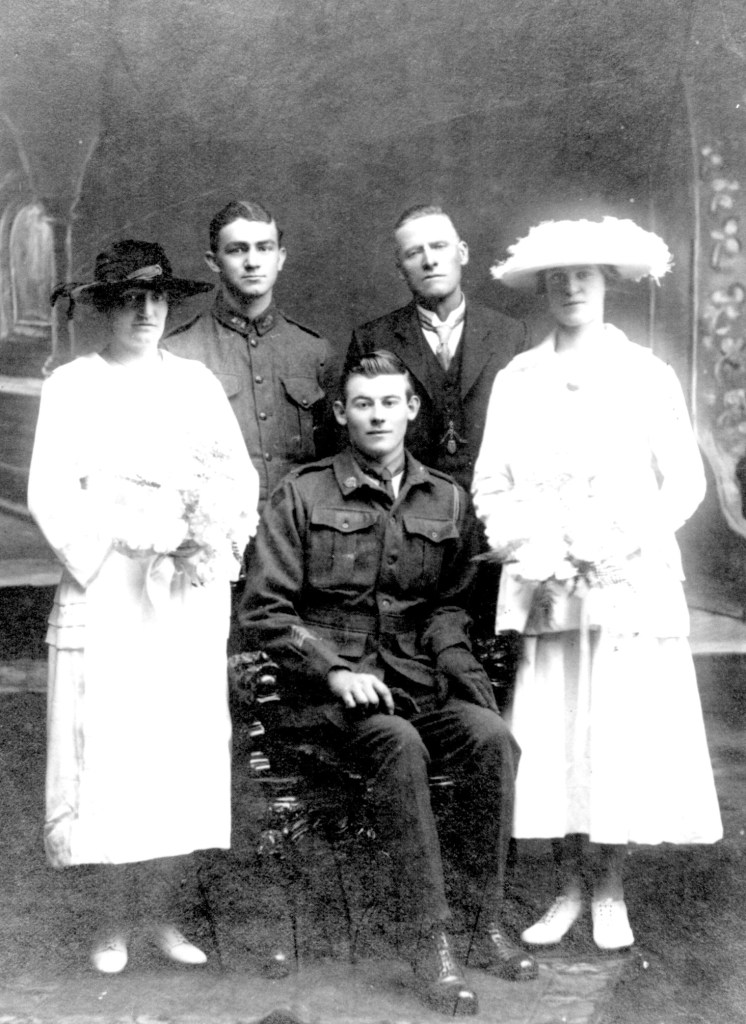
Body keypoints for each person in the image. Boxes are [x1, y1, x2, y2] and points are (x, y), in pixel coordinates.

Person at [238, 350, 537, 1017]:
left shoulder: (445, 498)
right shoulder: (302, 494)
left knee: (491, 738)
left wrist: (454, 658)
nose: (378, 415)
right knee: (398, 745)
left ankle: (480, 922)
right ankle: (429, 943)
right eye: (363, 404)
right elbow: (266, 611)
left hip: (413, 686)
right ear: (343, 413)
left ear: (412, 409)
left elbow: (451, 603)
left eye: (389, 402)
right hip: (322, 704)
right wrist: (333, 671)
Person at [472, 217, 723, 952]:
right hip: (550, 581)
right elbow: (493, 485)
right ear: (544, 288)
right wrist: (531, 546)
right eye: (558, 276)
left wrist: (621, 540)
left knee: (614, 732)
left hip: (626, 578)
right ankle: (566, 886)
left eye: (585, 273)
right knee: (555, 734)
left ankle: (610, 886)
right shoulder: (520, 379)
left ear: (607, 281)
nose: (572, 286)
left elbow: (684, 482)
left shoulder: (646, 374)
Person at [28, 241, 259, 974]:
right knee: (110, 752)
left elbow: (235, 478)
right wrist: (116, 543)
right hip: (108, 590)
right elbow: (50, 491)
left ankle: (162, 915)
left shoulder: (195, 384)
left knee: (175, 753)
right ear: (106, 307)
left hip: (180, 598)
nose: (146, 312)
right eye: (130, 299)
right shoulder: (73, 385)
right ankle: (109, 923)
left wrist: (204, 541)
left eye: (157, 299)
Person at [164, 198, 336, 513]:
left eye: (264, 248)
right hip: (215, 534)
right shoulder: (178, 352)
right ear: (213, 261)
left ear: (280, 258)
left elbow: (336, 460)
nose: (253, 262)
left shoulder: (314, 352)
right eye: (237, 249)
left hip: (299, 535)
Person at [344, 204, 527, 493]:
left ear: (462, 253)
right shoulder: (372, 339)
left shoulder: (511, 335)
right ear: (400, 268)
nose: (429, 261)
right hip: (407, 510)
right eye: (414, 252)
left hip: (492, 507)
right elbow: (356, 445)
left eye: (439, 246)